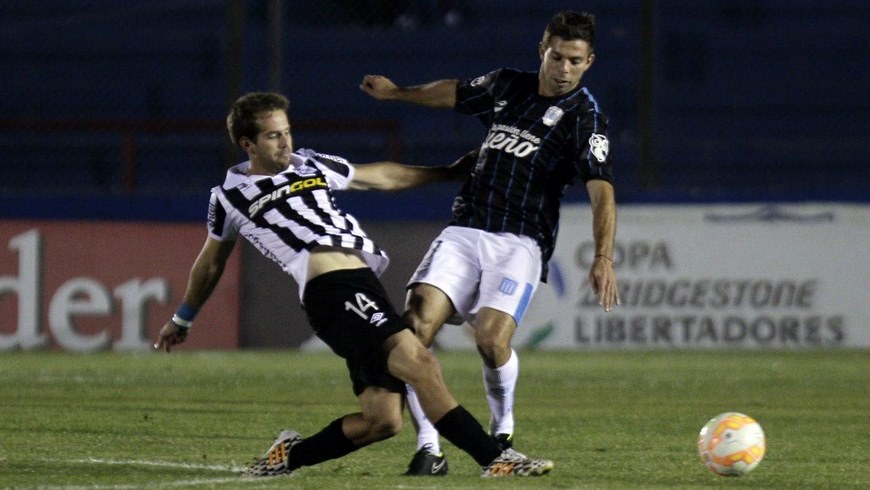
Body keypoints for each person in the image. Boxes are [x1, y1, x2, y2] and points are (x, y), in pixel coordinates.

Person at [153, 91, 553, 478]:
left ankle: (288, 456)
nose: (286, 142)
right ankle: (495, 459)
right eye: (273, 136)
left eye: (287, 131)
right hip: (330, 291)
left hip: (362, 284)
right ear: (248, 144)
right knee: (420, 363)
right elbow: (211, 263)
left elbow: (380, 176)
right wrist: (183, 319)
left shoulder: (310, 163)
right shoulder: (228, 197)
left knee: (383, 420)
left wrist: (447, 172)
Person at [360, 10, 620, 475]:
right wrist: (398, 92)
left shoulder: (586, 117)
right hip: (466, 227)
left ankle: (502, 428)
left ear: (589, 62)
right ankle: (429, 448)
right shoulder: (507, 85)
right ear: (542, 51)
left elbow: (602, 191)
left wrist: (603, 256)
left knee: (490, 340)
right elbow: (454, 92)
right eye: (557, 57)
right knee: (414, 328)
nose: (563, 69)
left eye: (575, 61)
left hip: (521, 240)